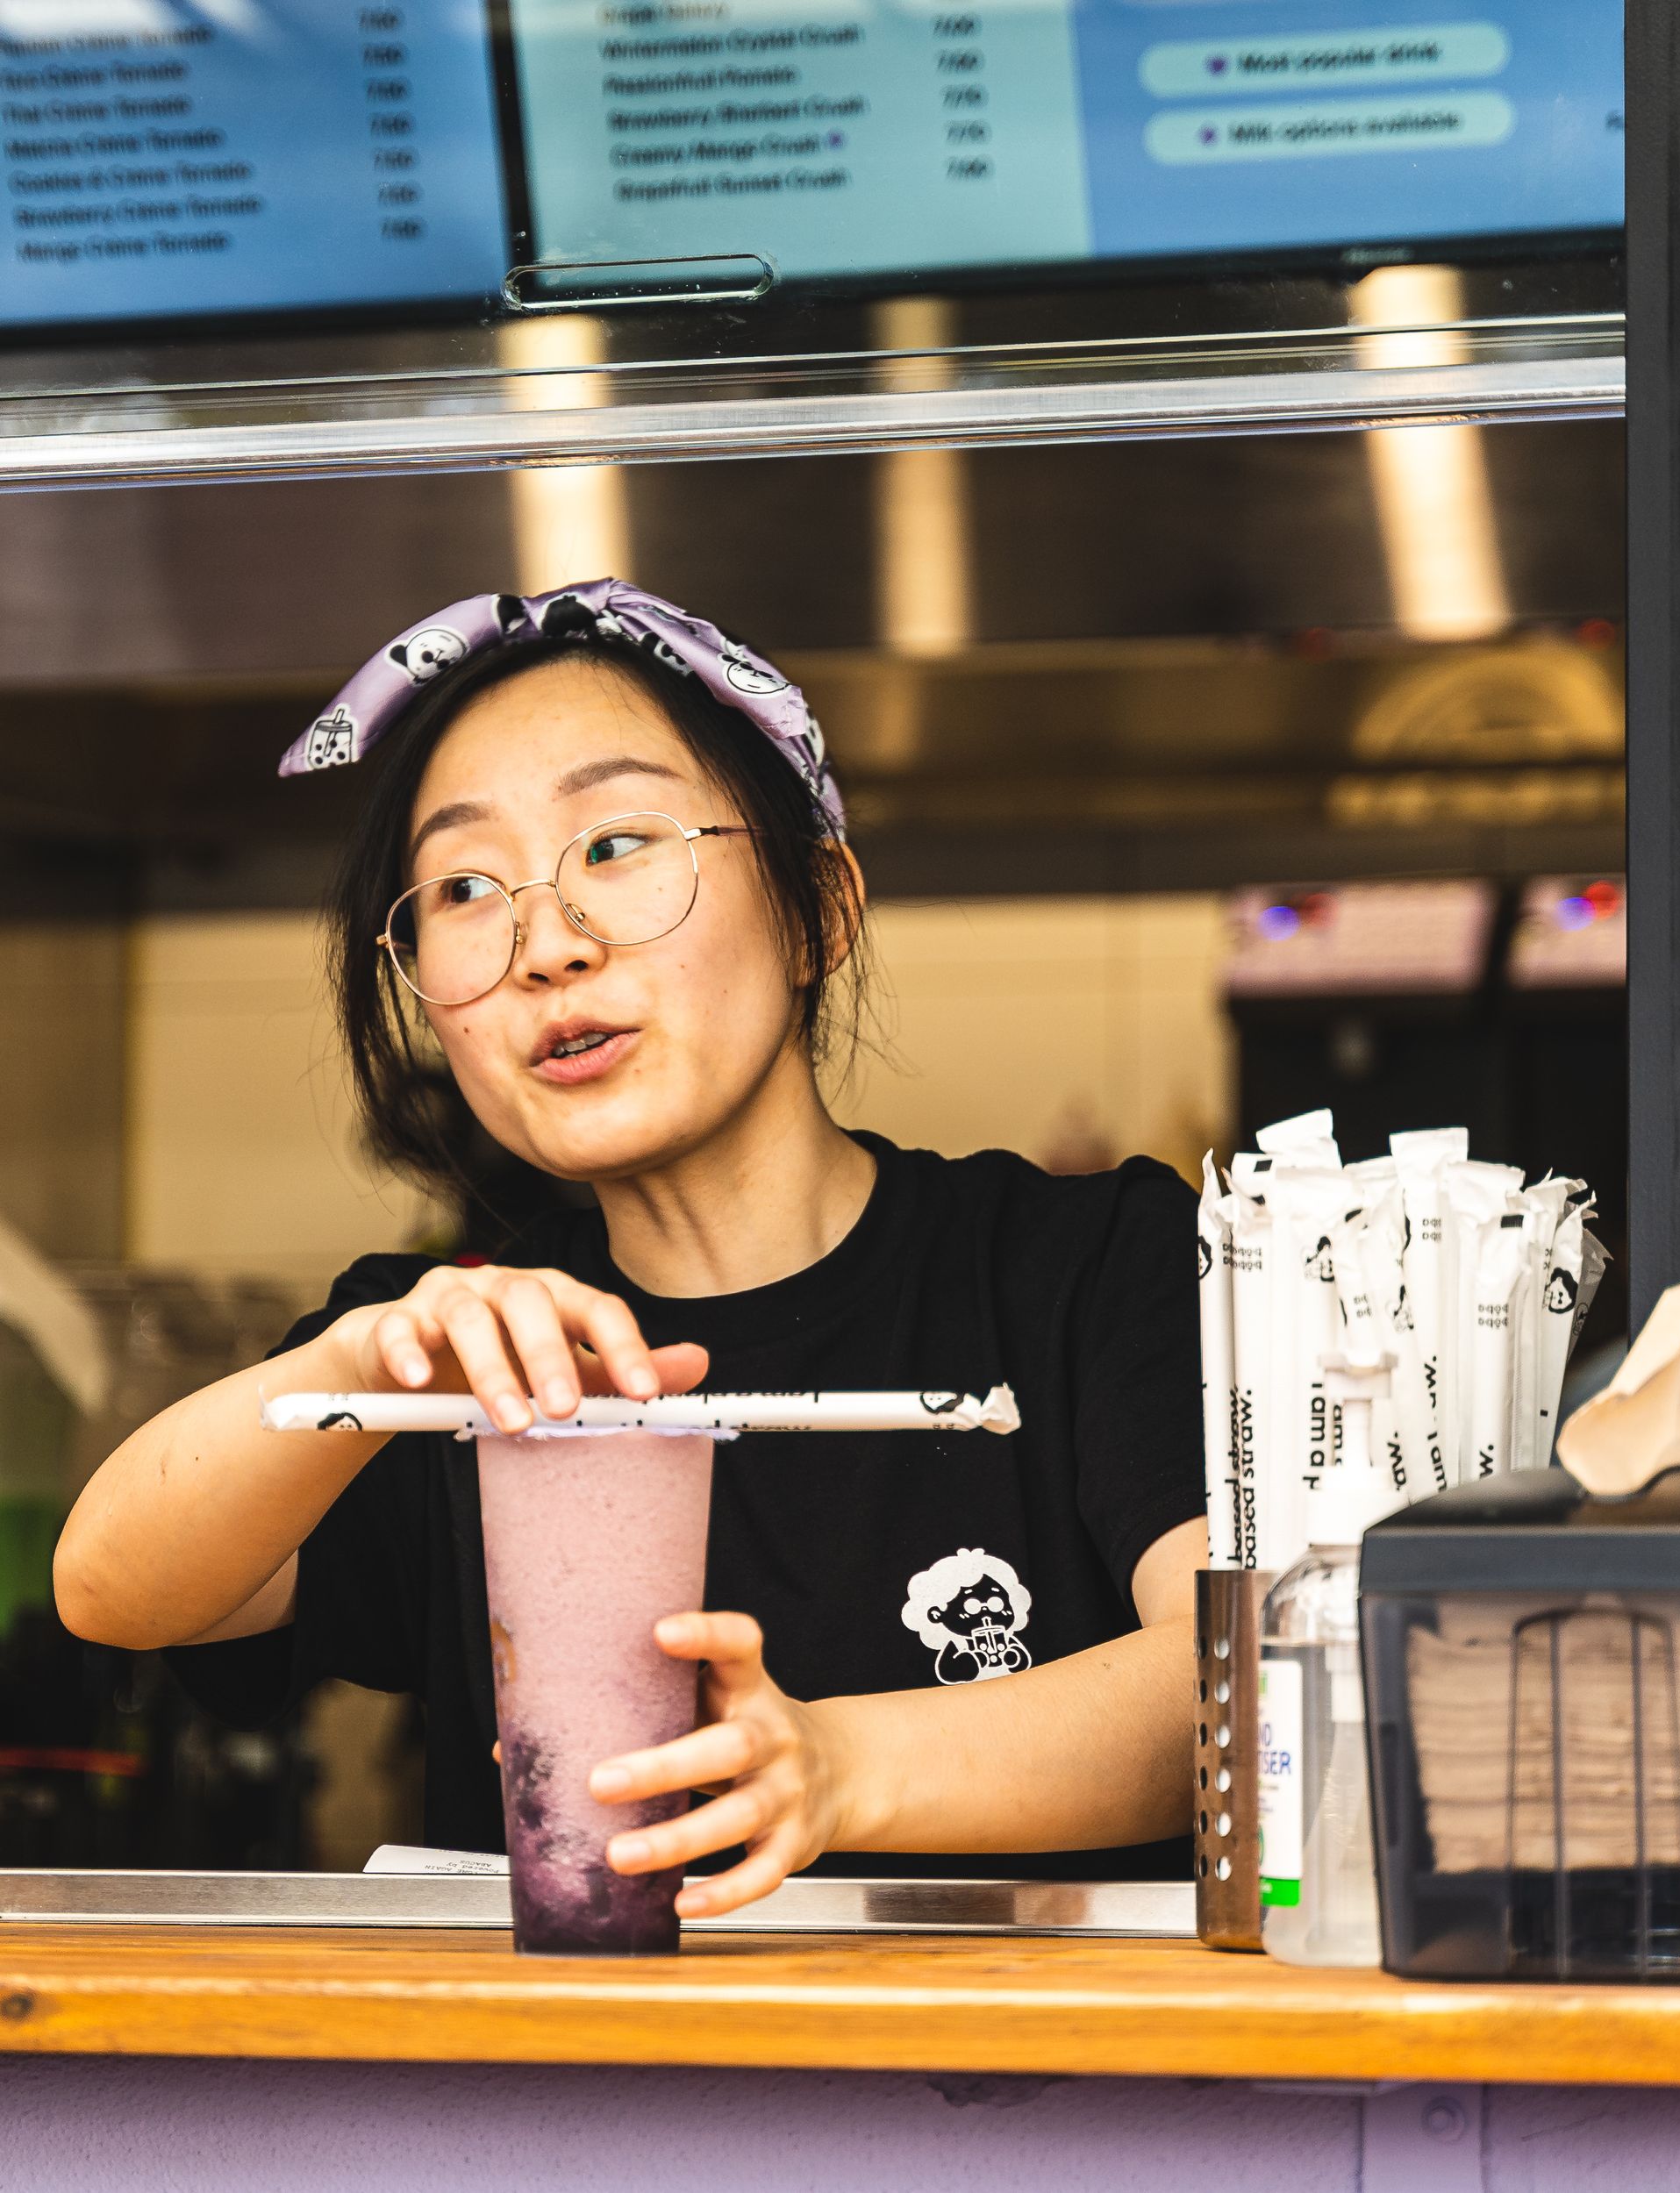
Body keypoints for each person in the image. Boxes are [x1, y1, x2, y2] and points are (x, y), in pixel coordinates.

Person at [54, 580, 1206, 1919]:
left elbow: (1235, 1684)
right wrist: (363, 1361)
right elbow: (116, 1591)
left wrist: (836, 1768)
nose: (547, 942)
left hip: (1035, 2106)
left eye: (617, 844)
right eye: (467, 885)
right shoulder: (457, 1347)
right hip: (577, 2113)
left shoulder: (1090, 1265)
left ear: (819, 909)